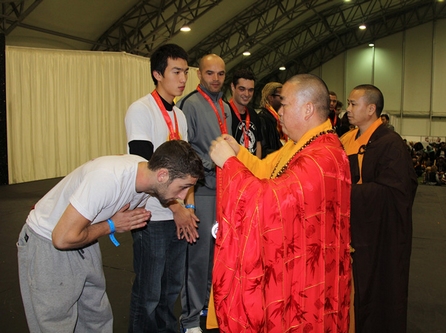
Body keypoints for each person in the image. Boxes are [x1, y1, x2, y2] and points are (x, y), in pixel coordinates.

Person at [209, 74, 352, 332]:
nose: (279, 111)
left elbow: (268, 201)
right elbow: (266, 170)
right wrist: (239, 153)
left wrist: (229, 164)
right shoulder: (303, 145)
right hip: (301, 264)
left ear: (308, 109)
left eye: (284, 104)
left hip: (309, 277)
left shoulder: (322, 156)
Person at [17, 140, 204, 333]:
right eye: (183, 187)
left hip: (84, 239)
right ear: (163, 175)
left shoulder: (147, 176)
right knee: (56, 325)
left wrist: (176, 210)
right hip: (48, 242)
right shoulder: (107, 179)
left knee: (96, 319)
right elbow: (61, 238)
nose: (182, 196)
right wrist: (112, 225)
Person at [125, 44, 198, 333]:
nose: (183, 79)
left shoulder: (180, 116)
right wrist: (176, 207)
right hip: (151, 216)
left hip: (177, 214)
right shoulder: (140, 110)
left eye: (186, 72)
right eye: (176, 71)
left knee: (170, 291)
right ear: (157, 73)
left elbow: (188, 169)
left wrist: (188, 208)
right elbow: (146, 168)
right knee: (149, 294)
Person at [340, 84, 417, 332]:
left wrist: (347, 193)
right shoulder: (347, 138)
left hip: (377, 236)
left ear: (371, 109)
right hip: (352, 230)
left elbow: (397, 192)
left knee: (376, 294)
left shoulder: (390, 143)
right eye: (349, 103)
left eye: (353, 104)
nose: (348, 109)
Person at [177, 53, 232, 333]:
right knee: (197, 257)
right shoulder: (190, 105)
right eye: (210, 73)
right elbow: (186, 153)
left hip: (225, 191)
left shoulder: (226, 106)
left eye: (220, 74)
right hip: (201, 191)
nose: (215, 79)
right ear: (200, 74)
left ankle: (208, 306)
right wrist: (214, 162)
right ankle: (189, 319)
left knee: (217, 255)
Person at [229, 68, 262, 157]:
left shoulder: (253, 114)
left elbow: (258, 143)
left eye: (250, 90)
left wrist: (257, 167)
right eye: (242, 89)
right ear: (233, 87)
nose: (247, 94)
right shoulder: (225, 112)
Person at [258, 82, 284, 158]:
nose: (283, 100)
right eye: (281, 97)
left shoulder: (278, 118)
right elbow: (263, 151)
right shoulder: (262, 119)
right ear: (271, 98)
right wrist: (284, 153)